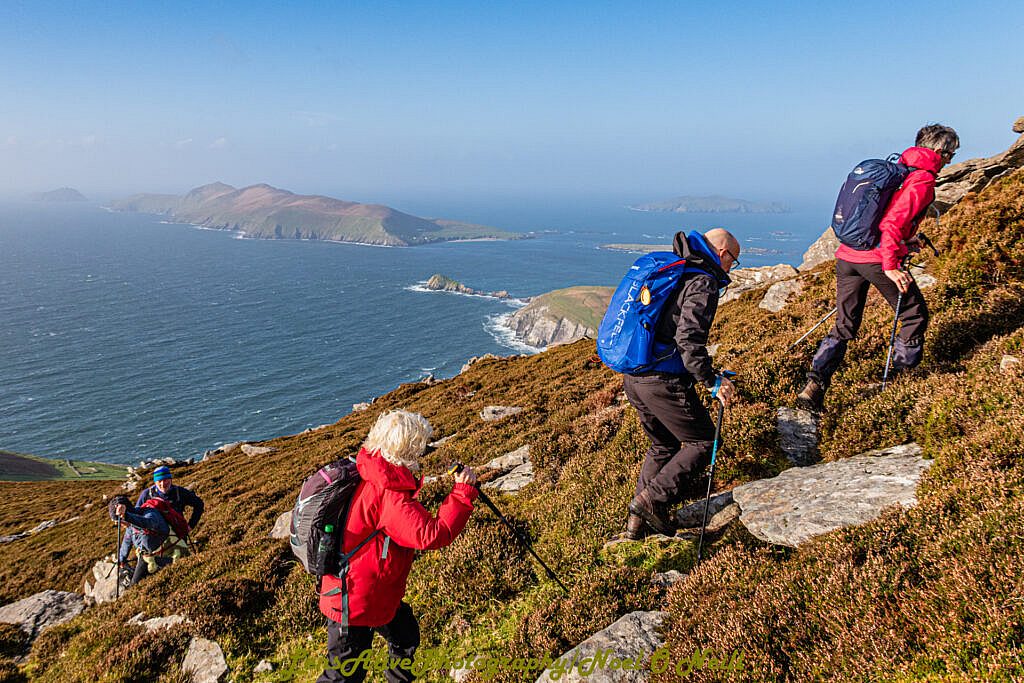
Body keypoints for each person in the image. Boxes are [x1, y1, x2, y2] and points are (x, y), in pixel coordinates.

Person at [797, 124, 960, 411]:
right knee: (913, 314)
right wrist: (892, 265)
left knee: (845, 325)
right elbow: (890, 224)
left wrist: (907, 241)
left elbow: (884, 218)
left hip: (847, 257)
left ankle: (813, 387)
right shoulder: (921, 179)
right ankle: (901, 383)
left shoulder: (897, 168)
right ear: (938, 151)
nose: (950, 161)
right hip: (875, 260)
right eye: (950, 154)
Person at [316, 410, 478, 683]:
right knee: (343, 675)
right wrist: (462, 493)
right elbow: (431, 534)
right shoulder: (389, 492)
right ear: (408, 448)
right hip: (355, 599)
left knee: (404, 636)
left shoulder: (368, 468)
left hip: (362, 589)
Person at [623, 228, 739, 539]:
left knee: (663, 445)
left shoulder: (676, 268)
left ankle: (636, 526)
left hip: (635, 375)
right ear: (723, 254)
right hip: (662, 380)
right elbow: (688, 340)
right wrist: (712, 381)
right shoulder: (703, 281)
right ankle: (650, 501)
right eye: (734, 262)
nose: (731, 269)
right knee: (703, 442)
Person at [109, 494, 175, 586]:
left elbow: (149, 523)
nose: (120, 525)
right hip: (147, 555)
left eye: (119, 521)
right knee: (140, 580)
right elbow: (127, 541)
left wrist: (126, 516)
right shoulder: (130, 526)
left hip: (164, 550)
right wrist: (121, 559)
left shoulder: (149, 513)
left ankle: (173, 562)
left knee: (134, 584)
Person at [136, 465, 204, 530]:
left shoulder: (179, 492)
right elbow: (136, 513)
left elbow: (199, 504)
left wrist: (191, 525)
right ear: (155, 482)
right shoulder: (147, 494)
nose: (163, 484)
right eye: (159, 481)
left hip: (178, 534)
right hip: (154, 537)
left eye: (165, 480)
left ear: (170, 479)